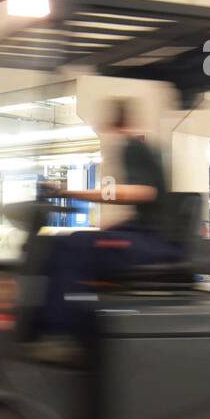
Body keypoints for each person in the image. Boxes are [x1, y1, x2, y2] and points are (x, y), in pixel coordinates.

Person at [30, 99, 184, 351]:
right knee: (57, 242)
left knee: (75, 246)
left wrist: (74, 193)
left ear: (113, 123)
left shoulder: (135, 147)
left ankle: (59, 336)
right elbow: (149, 206)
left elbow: (143, 193)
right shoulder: (134, 149)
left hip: (157, 243)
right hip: (145, 234)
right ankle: (51, 323)